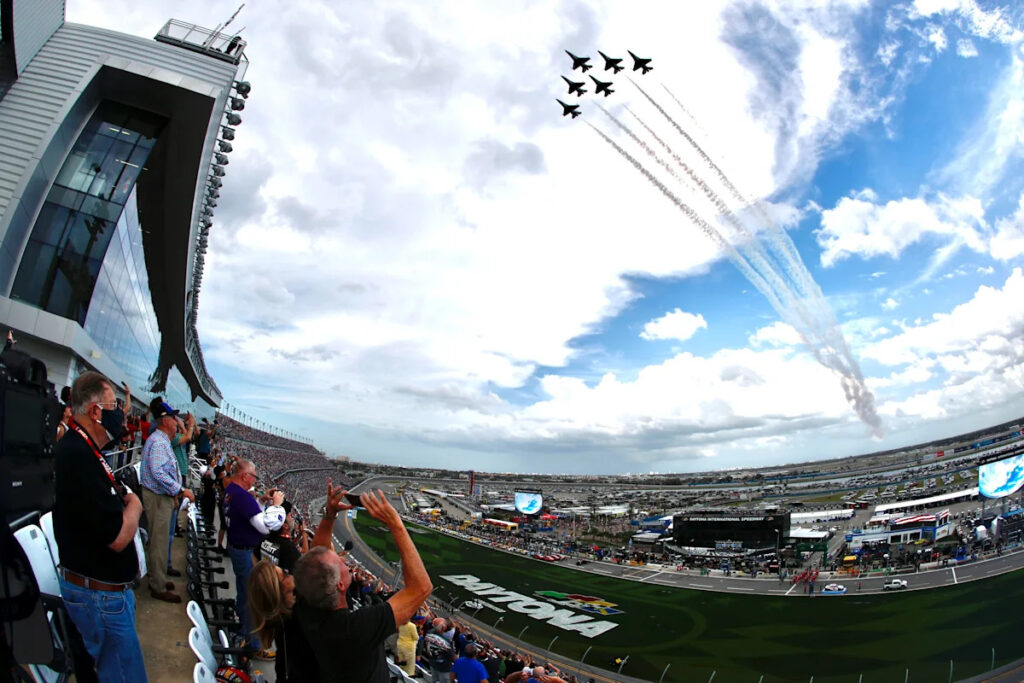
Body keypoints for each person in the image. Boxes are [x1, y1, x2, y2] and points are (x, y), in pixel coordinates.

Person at [53, 371, 148, 682]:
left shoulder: (88, 451)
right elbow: (119, 536)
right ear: (95, 411)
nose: (120, 414)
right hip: (99, 598)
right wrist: (135, 505)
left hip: (105, 595)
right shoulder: (77, 455)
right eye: (114, 407)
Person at [292, 488, 433, 682]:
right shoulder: (356, 628)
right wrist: (396, 524)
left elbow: (316, 557)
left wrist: (330, 514)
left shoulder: (307, 599)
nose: (344, 560)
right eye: (338, 562)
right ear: (340, 585)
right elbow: (421, 587)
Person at [224, 458, 280, 654]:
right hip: (246, 551)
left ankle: (244, 632)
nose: (255, 479)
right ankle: (254, 645)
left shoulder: (233, 491)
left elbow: (246, 514)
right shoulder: (242, 496)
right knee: (252, 598)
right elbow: (265, 527)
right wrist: (276, 506)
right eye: (254, 475)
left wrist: (260, 501)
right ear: (244, 475)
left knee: (243, 593)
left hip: (237, 548)